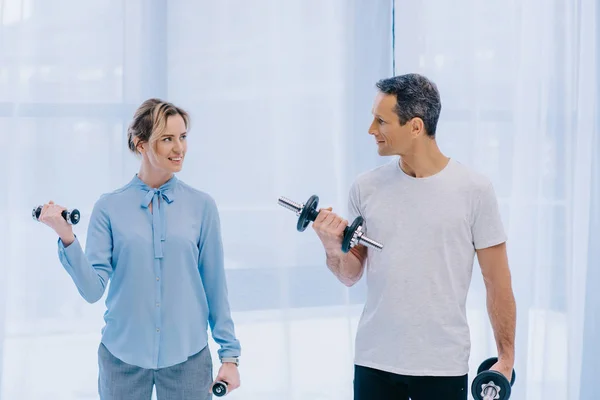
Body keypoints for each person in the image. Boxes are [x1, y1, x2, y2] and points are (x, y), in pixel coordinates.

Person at [312, 74, 516, 400]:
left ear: (416, 127)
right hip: (374, 360)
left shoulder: (475, 191)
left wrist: (506, 358)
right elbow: (351, 274)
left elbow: (498, 283)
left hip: (442, 365)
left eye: (381, 121)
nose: (370, 129)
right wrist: (331, 246)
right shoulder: (366, 188)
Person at [38, 99, 241, 399]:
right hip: (122, 360)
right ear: (141, 143)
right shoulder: (109, 207)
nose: (179, 148)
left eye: (182, 137)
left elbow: (215, 287)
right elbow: (93, 290)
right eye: (167, 139)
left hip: (188, 360)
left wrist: (229, 356)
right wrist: (67, 237)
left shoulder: (202, 207)